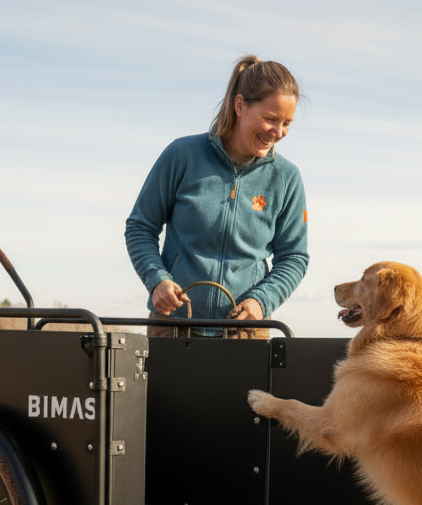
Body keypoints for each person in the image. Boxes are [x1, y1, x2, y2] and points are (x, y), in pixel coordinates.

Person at [125, 55, 309, 339]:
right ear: (239, 105)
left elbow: (294, 257)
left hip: (246, 332)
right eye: (270, 119)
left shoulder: (287, 178)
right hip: (172, 326)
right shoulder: (181, 155)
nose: (278, 132)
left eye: (286, 123)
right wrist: (157, 280)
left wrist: (260, 302)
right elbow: (140, 227)